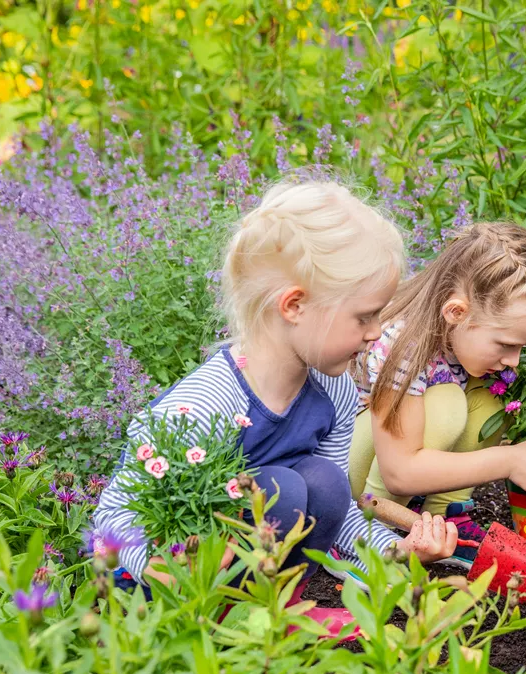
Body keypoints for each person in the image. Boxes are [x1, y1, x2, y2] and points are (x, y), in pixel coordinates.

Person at [93, 181, 460, 625]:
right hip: (157, 590)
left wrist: (396, 554)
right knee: (281, 493)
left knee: (323, 482)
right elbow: (113, 512)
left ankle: (269, 616)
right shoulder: (207, 402)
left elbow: (336, 506)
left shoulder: (335, 391)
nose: (375, 333)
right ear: (294, 306)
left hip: (248, 565)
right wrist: (157, 570)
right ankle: (221, 628)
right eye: (364, 316)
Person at [348, 222, 526, 561]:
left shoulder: (461, 337)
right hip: (351, 483)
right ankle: (370, 532)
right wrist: (509, 460)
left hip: (389, 461)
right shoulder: (400, 343)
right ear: (456, 312)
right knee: (448, 403)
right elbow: (400, 472)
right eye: (507, 344)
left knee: (495, 397)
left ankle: (445, 517)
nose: (514, 360)